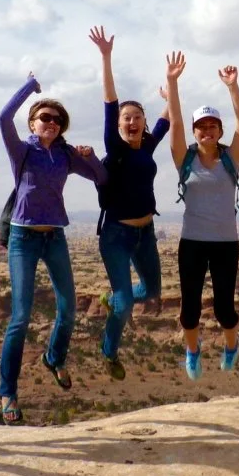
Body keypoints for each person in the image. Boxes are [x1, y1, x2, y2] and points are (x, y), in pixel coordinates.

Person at [0, 72, 106, 424]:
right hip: (23, 237)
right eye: (45, 117)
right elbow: (2, 117)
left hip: (55, 235)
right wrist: (30, 88)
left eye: (58, 120)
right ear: (32, 121)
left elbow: (102, 179)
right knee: (20, 318)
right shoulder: (22, 150)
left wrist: (91, 158)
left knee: (69, 307)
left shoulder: (64, 155)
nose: (52, 123)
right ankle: (8, 392)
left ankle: (54, 358)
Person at [163, 52, 239, 380]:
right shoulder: (184, 159)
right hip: (193, 242)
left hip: (225, 244)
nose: (206, 131)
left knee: (225, 309)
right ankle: (193, 349)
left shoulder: (232, 158)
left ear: (219, 130)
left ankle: (231, 345)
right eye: (201, 127)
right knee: (190, 310)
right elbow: (176, 123)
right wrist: (172, 82)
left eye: (212, 126)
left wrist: (233, 87)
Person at [89, 26, 170, 380]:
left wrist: (173, 89)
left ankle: (111, 298)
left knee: (152, 291)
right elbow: (109, 101)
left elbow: (168, 120)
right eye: (127, 118)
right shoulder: (116, 147)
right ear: (119, 126)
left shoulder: (147, 146)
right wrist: (106, 57)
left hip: (145, 233)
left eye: (138, 117)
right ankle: (109, 352)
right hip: (117, 236)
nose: (133, 121)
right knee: (124, 304)